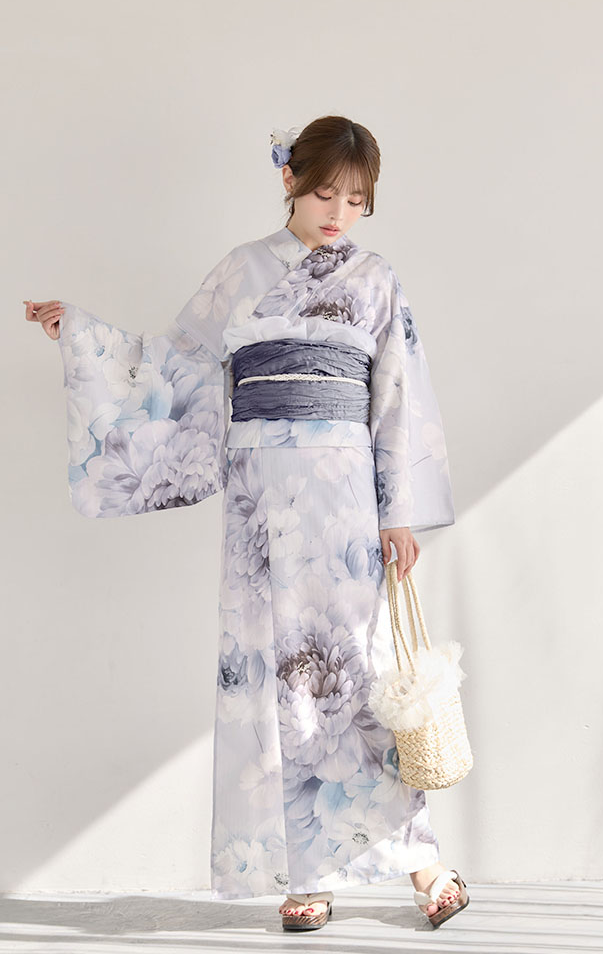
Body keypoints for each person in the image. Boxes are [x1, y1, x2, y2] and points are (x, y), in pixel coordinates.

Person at [25, 114, 469, 931]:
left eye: (356, 200)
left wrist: (399, 513)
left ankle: (425, 864)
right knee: (272, 680)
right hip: (259, 504)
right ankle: (307, 876)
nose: (338, 213)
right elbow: (175, 364)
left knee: (361, 678)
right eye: (325, 193)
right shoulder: (241, 271)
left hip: (345, 502)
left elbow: (397, 396)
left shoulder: (375, 280)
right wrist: (83, 337)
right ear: (290, 180)